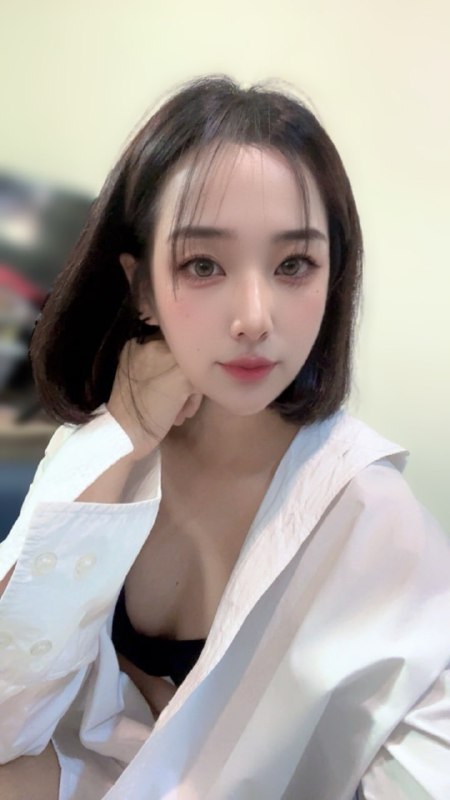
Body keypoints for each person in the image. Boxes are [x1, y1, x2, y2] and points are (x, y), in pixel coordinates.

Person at [0, 76, 449, 800]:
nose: (254, 317)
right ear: (142, 287)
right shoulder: (102, 445)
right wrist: (125, 435)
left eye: (293, 265)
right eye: (203, 264)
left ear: (333, 278)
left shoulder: (375, 524)